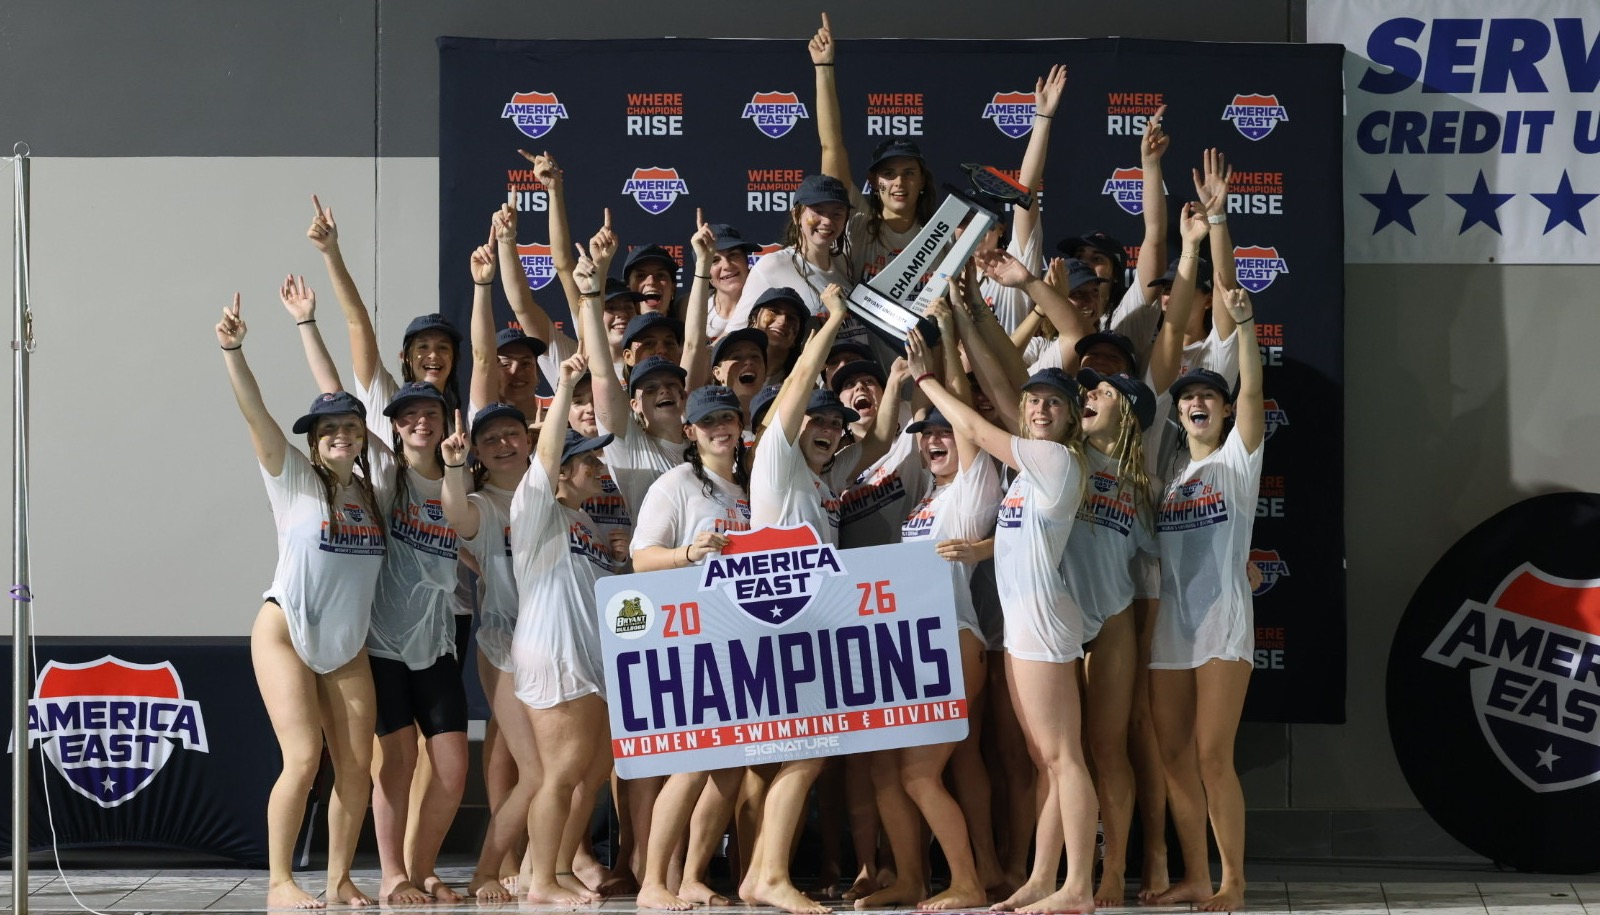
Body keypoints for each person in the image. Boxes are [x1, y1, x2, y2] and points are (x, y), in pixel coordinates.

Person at [908, 329, 1096, 915]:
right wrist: (981, 550)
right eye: (1033, 400)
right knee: (1047, 762)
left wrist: (925, 379)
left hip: (1041, 620)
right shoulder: (1031, 473)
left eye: (1054, 403)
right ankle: (1042, 879)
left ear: (1070, 418)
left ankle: (1078, 887)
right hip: (1022, 622)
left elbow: (974, 428)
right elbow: (1029, 534)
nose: (1040, 409)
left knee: (1064, 758)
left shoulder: (1052, 456)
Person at [217, 294, 382, 910]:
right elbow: (255, 412)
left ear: (362, 437)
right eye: (329, 429)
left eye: (350, 427)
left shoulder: (373, 491)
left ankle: (339, 878)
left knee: (357, 767)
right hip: (284, 630)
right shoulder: (293, 477)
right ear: (314, 442)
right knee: (304, 758)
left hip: (346, 644)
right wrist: (234, 350)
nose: (341, 434)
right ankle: (280, 882)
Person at [739, 284, 858, 915]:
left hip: (807, 630)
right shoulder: (776, 464)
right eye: (816, 418)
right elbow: (802, 380)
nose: (828, 429)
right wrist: (830, 322)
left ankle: (761, 874)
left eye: (836, 423)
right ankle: (770, 877)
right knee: (807, 754)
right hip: (782, 629)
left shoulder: (816, 484)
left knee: (802, 755)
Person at [1148, 286, 1265, 913]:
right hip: (1171, 629)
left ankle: (1232, 883)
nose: (1197, 403)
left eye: (1209, 398)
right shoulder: (1168, 483)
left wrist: (1244, 326)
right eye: (1188, 397)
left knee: (1212, 757)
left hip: (1222, 625)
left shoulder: (1237, 463)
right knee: (1172, 759)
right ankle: (1195, 875)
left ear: (1223, 411)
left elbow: (1252, 395)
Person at [629, 385, 754, 910]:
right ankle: (653, 882)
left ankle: (692, 878)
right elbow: (640, 558)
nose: (720, 428)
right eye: (708, 422)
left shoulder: (750, 486)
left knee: (730, 767)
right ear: (690, 432)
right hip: (691, 640)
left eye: (727, 418)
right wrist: (689, 552)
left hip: (741, 640)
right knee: (694, 762)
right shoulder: (677, 482)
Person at [896, 328, 1006, 911]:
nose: (935, 440)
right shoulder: (927, 500)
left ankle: (964, 882)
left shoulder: (972, 486)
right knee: (960, 762)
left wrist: (937, 366)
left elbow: (967, 426)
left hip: (953, 642)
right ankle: (983, 868)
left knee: (917, 774)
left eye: (944, 432)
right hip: (927, 646)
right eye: (926, 435)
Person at [509, 352, 622, 905]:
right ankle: (541, 883)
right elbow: (547, 453)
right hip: (554, 654)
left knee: (593, 771)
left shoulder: (587, 521)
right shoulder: (537, 507)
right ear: (561, 472)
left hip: (589, 658)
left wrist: (619, 558)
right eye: (589, 462)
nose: (598, 469)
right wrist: (567, 384)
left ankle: (549, 866)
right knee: (561, 772)